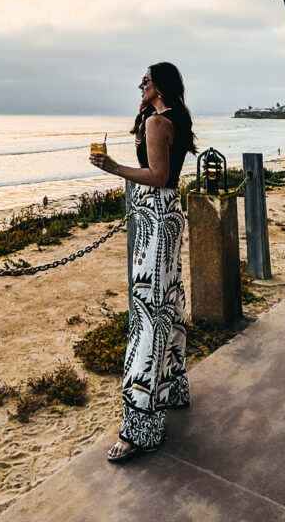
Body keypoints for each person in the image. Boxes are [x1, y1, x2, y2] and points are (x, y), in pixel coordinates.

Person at [90, 61, 197, 463]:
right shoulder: (175, 118)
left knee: (147, 315)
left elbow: (157, 174)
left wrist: (114, 167)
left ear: (160, 86)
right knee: (168, 302)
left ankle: (141, 428)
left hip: (154, 217)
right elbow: (170, 176)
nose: (141, 85)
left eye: (146, 81)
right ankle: (172, 389)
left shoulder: (157, 123)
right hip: (169, 215)